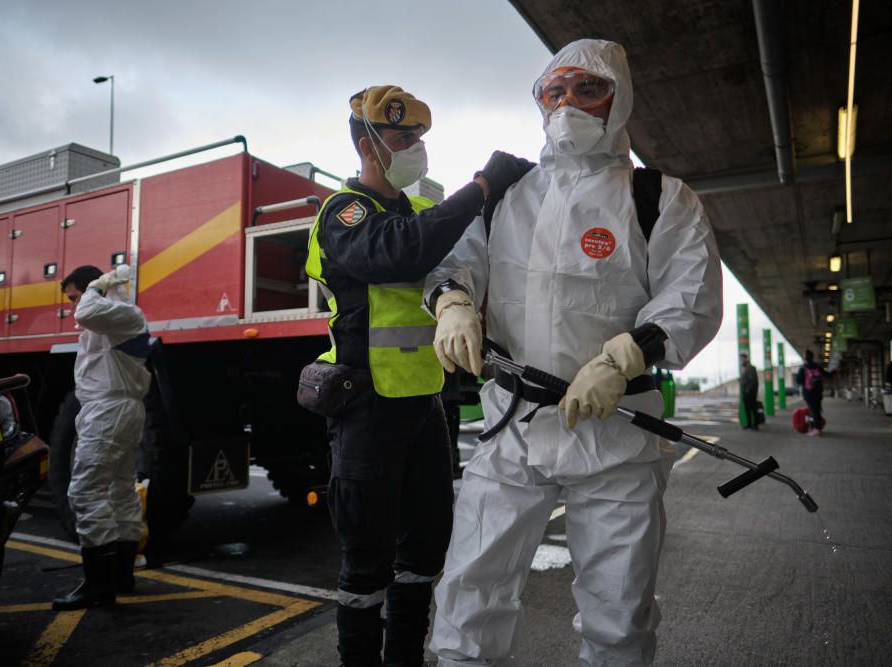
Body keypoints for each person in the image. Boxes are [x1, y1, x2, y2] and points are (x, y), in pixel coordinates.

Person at [424, 39, 722, 666]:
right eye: (552, 92)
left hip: (613, 437)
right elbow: (455, 266)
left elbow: (689, 297)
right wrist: (451, 302)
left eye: (587, 89)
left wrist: (623, 359)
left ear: (619, 99)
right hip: (511, 429)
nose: (566, 104)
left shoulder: (660, 198)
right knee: (467, 602)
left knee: (619, 615)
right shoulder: (507, 196)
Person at [303, 85, 532, 666]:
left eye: (419, 140)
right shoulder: (345, 212)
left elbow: (449, 258)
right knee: (366, 560)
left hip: (425, 407)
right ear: (366, 144)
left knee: (424, 553)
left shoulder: (415, 215)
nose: (414, 149)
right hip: (367, 409)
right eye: (403, 139)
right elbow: (400, 253)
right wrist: (481, 188)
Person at [52, 264, 151, 610]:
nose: (74, 306)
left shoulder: (118, 312)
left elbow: (88, 310)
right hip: (116, 410)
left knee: (85, 490)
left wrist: (95, 287)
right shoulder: (115, 319)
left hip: (109, 411)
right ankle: (121, 576)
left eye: (74, 296)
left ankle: (97, 585)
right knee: (120, 490)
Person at [796, 349, 825, 436]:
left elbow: (798, 380)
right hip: (818, 391)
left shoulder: (803, 367)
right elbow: (827, 375)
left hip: (808, 392)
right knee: (817, 409)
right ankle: (817, 427)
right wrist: (835, 371)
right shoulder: (818, 366)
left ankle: (816, 429)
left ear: (805, 357)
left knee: (813, 410)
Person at [740, 353, 760, 431]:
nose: (741, 361)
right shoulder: (744, 368)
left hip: (750, 392)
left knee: (753, 409)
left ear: (745, 358)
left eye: (741, 359)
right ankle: (749, 424)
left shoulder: (751, 368)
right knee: (747, 409)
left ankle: (755, 425)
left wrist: (748, 389)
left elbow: (753, 381)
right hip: (745, 392)